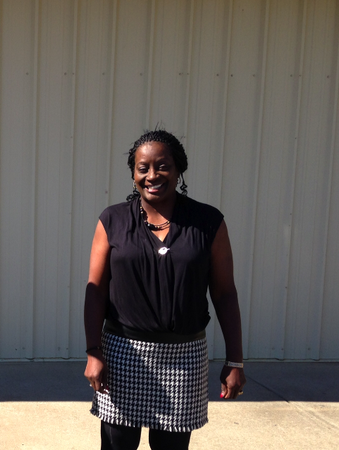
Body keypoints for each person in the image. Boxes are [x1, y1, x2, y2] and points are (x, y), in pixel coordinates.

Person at [83, 129, 246, 450]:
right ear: (133, 174)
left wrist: (235, 361)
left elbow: (225, 293)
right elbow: (96, 291)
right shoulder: (112, 220)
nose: (152, 175)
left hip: (184, 357)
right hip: (122, 354)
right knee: (116, 446)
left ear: (179, 170)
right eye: (143, 168)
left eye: (163, 166)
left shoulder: (208, 221)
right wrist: (93, 351)